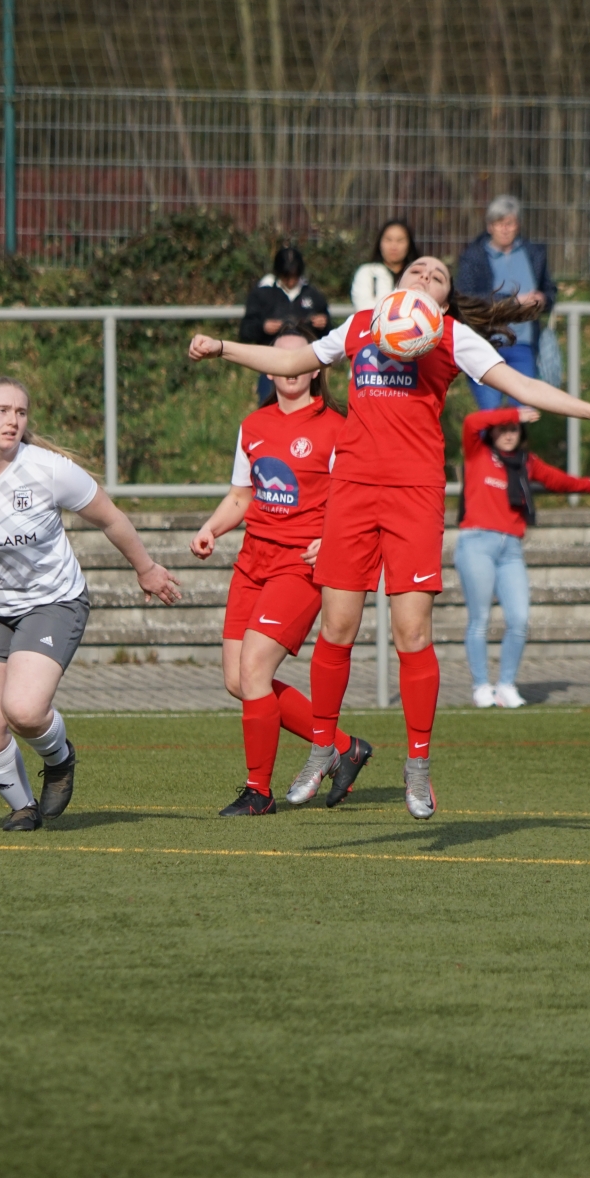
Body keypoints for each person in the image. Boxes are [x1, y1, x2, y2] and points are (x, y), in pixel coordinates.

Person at [187, 255, 590, 819]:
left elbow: (520, 384)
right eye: (416, 271)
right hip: (351, 489)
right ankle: (323, 747)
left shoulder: (452, 337)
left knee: (412, 632)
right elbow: (295, 357)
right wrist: (221, 347)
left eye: (437, 277)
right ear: (396, 285)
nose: (424, 276)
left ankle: (418, 766)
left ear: (444, 302)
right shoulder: (362, 325)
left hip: (413, 494)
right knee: (338, 625)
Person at [0, 377, 183, 831]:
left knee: (24, 710)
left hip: (53, 600)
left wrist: (146, 568)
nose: (13, 420)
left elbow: (111, 518)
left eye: (21, 412)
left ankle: (59, 758)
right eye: (2, 410)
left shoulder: (48, 470)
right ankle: (23, 807)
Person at [188, 326, 372, 815]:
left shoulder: (337, 427)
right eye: (277, 358)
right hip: (253, 562)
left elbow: (355, 500)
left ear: (316, 368)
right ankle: (344, 746)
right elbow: (241, 497)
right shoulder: (253, 425)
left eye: (299, 358)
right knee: (238, 680)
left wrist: (328, 541)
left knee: (254, 670)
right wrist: (213, 527)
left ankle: (258, 792)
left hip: (300, 566)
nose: (288, 368)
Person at [457, 405, 590, 708]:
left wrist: (589, 485)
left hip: (511, 547)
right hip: (476, 541)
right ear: (493, 431)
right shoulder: (477, 451)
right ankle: (481, 686)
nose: (508, 434)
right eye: (503, 428)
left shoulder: (526, 462)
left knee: (519, 618)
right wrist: (512, 414)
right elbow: (472, 421)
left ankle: (506, 684)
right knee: (479, 619)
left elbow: (556, 479)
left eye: (514, 429)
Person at [456, 195, 558, 409]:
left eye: (509, 223)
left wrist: (542, 300)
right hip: (487, 343)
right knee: (491, 413)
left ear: (517, 225)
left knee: (522, 410)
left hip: (524, 344)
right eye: (498, 224)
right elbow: (466, 298)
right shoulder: (473, 257)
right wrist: (511, 302)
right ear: (489, 226)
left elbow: (550, 290)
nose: (504, 229)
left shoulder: (533, 253)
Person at [241, 246, 333, 402]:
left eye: (295, 276)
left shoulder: (313, 295)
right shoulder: (263, 294)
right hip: (271, 363)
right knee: (269, 406)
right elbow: (245, 330)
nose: (291, 281)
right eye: (286, 276)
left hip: (307, 364)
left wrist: (323, 324)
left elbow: (330, 334)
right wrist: (263, 327)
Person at [349, 218, 422, 311]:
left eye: (400, 240)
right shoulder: (368, 273)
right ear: (380, 243)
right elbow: (364, 308)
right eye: (388, 240)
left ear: (409, 244)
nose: (394, 246)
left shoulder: (419, 276)